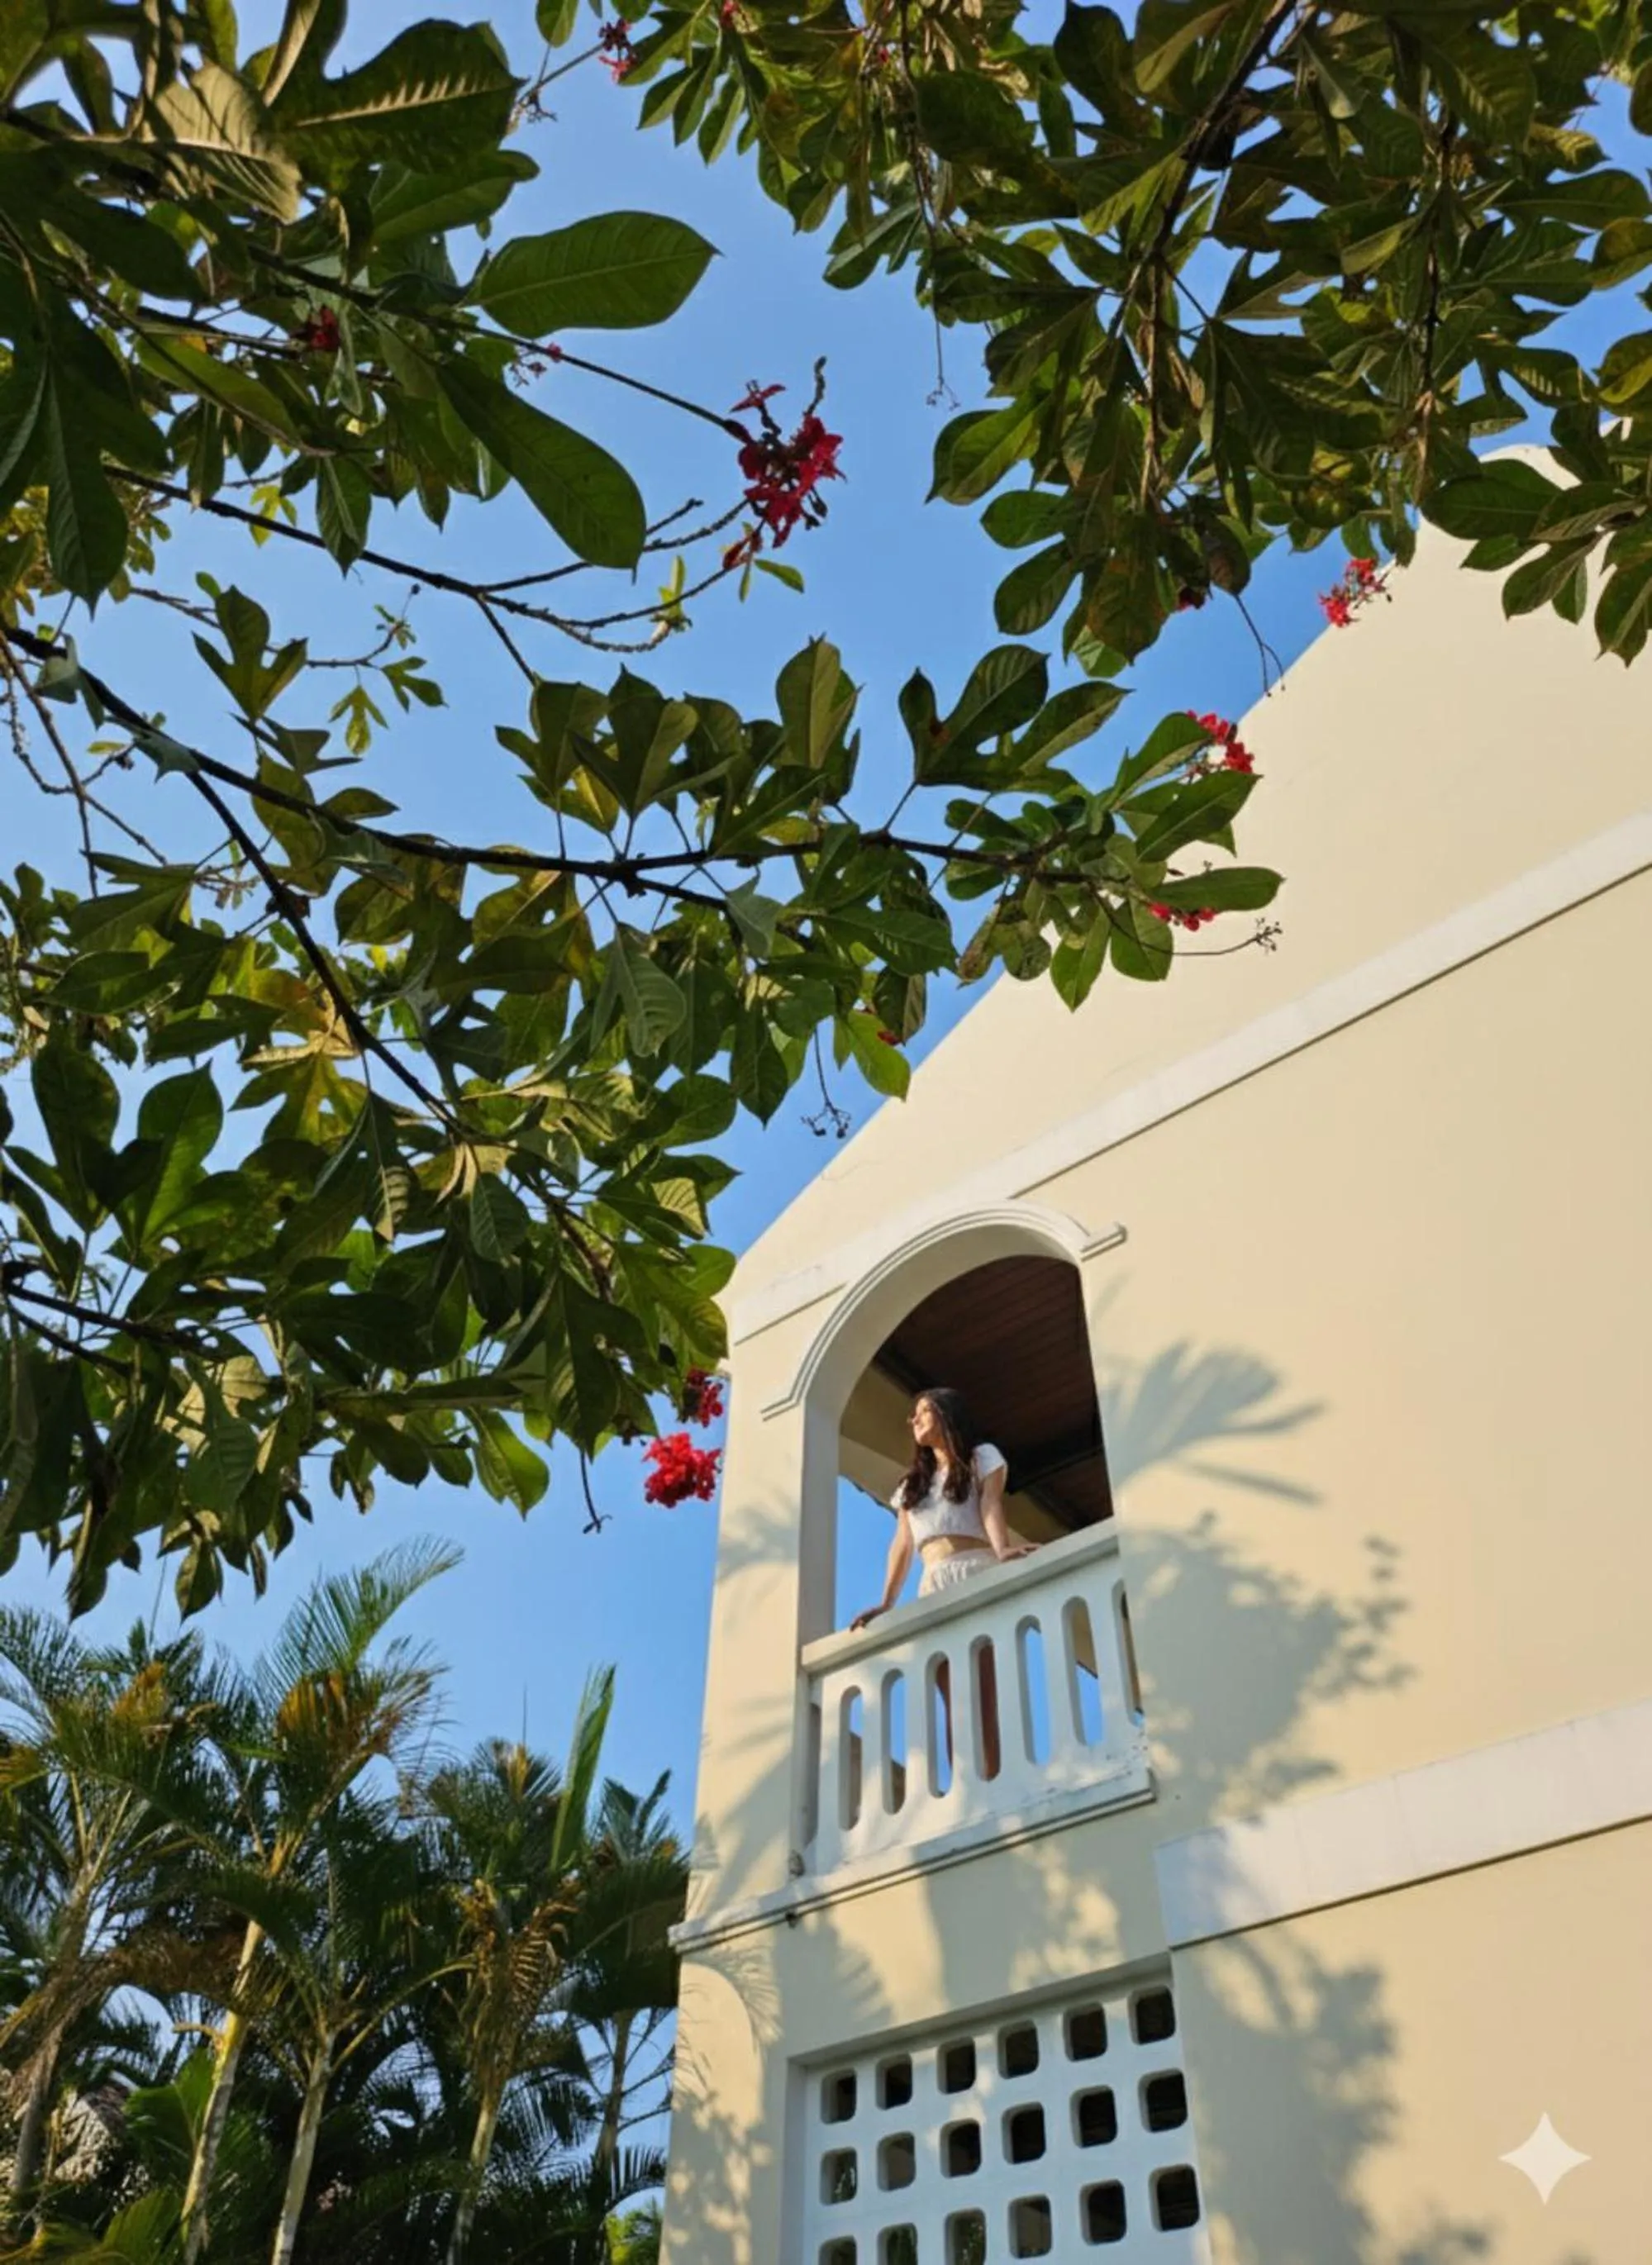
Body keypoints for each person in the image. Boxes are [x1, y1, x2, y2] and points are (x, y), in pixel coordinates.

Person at [850, 1387, 1036, 1632]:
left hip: (974, 1567)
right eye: (913, 1415)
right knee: (943, 1664)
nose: (915, 1420)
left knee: (983, 1654)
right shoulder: (912, 1485)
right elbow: (903, 1543)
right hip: (932, 1580)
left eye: (925, 1411)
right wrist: (887, 1603)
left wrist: (1002, 1549)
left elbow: (990, 1502)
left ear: (948, 1415)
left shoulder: (981, 1457)